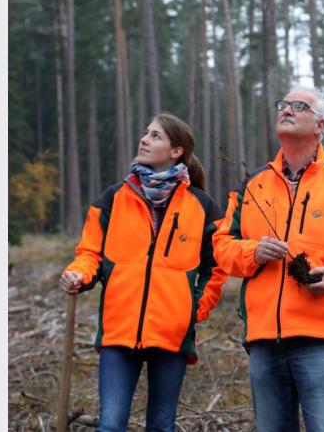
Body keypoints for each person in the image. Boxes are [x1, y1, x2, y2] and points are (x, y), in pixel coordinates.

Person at [213, 86, 324, 431]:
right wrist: (253, 252)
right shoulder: (252, 185)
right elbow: (222, 244)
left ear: (320, 125)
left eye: (299, 106)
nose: (286, 110)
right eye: (283, 104)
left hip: (321, 337)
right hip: (263, 338)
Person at [59, 113, 228, 432]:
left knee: (161, 425)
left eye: (155, 136)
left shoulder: (202, 207)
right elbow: (90, 253)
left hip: (172, 334)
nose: (144, 140)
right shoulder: (113, 199)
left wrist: (193, 309)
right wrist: (77, 274)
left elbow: (217, 266)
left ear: (176, 151)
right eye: (145, 133)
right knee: (110, 424)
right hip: (118, 330)